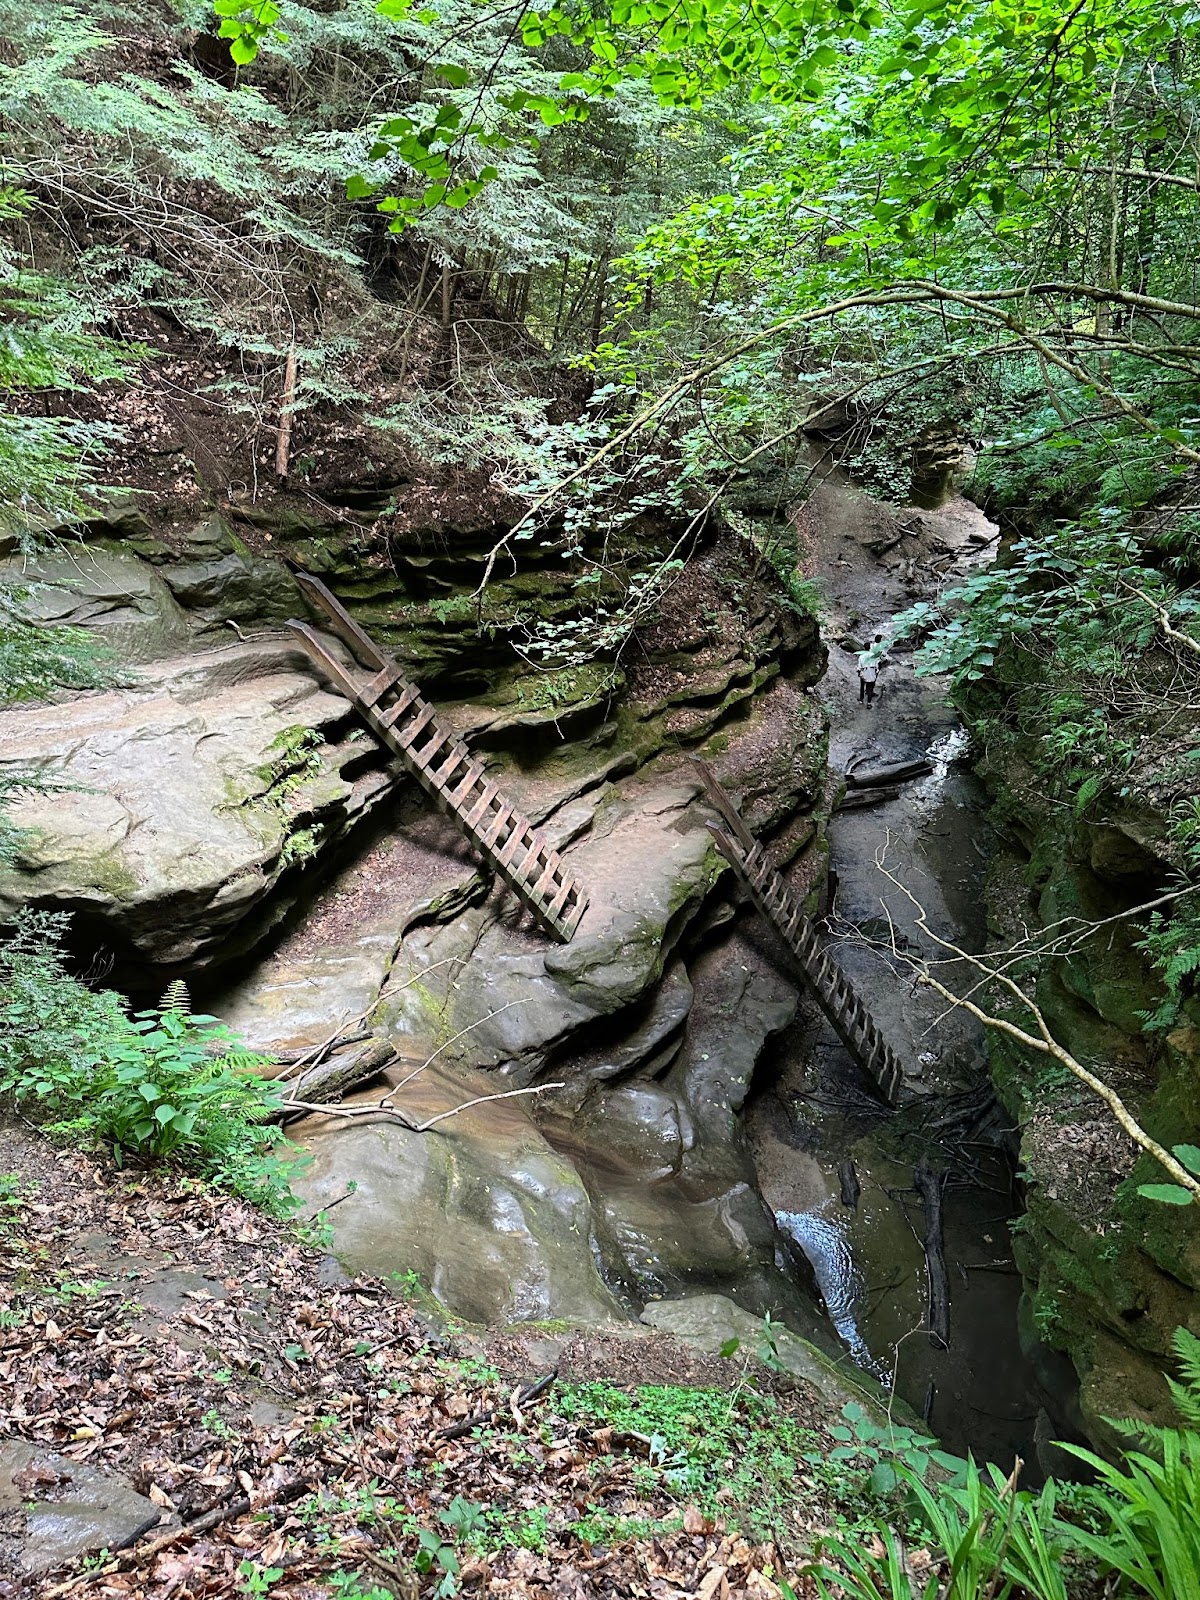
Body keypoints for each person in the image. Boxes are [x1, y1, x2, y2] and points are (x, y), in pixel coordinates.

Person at [857, 634, 887, 706]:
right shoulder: (873, 656)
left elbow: (859, 666)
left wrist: (859, 673)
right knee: (870, 687)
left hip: (864, 672)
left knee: (862, 686)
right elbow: (877, 665)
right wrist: (876, 671)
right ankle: (869, 703)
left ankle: (861, 699)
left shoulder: (861, 656)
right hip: (871, 673)